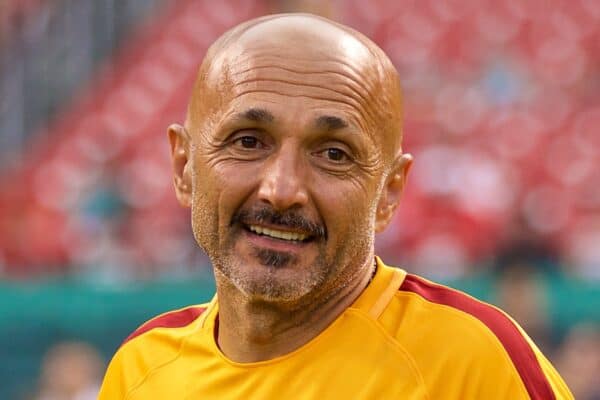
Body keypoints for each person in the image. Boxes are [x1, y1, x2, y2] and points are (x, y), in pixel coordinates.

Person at [98, 14, 573, 399]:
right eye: (248, 141)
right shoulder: (141, 370)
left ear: (388, 192)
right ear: (184, 167)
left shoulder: (471, 366)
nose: (282, 190)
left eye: (332, 154)